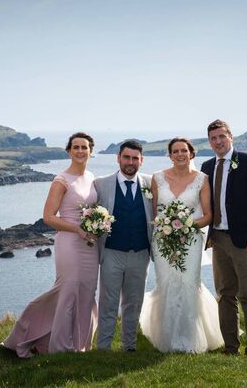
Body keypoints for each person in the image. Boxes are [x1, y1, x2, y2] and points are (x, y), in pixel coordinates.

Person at [2, 132, 99, 358]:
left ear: (91, 151)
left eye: (84, 147)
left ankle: (81, 344)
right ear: (68, 151)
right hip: (70, 243)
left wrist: (97, 224)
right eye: (76, 147)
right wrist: (77, 229)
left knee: (86, 292)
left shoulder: (92, 177)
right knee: (67, 291)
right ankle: (59, 346)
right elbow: (48, 217)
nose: (80, 151)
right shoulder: (61, 180)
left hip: (90, 245)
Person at [139, 137, 224, 353]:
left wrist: (186, 226)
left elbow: (208, 215)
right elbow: (156, 212)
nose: (180, 154)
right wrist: (166, 227)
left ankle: (189, 338)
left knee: (188, 283)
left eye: (183, 151)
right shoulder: (157, 178)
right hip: (163, 240)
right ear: (169, 155)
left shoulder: (202, 179)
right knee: (166, 283)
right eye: (175, 151)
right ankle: (167, 337)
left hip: (191, 240)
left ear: (191, 154)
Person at [201, 119, 247, 359]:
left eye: (222, 136)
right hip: (218, 240)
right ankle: (231, 347)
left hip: (245, 242)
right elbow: (206, 204)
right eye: (213, 138)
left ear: (231, 137)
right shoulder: (207, 166)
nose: (218, 142)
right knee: (225, 294)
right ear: (209, 142)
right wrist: (208, 235)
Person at [93, 140, 154, 351]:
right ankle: (104, 347)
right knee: (108, 302)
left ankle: (129, 346)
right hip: (111, 252)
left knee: (134, 302)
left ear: (141, 161)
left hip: (141, 253)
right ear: (118, 158)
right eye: (126, 157)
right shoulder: (101, 184)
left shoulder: (151, 183)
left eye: (135, 158)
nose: (130, 162)